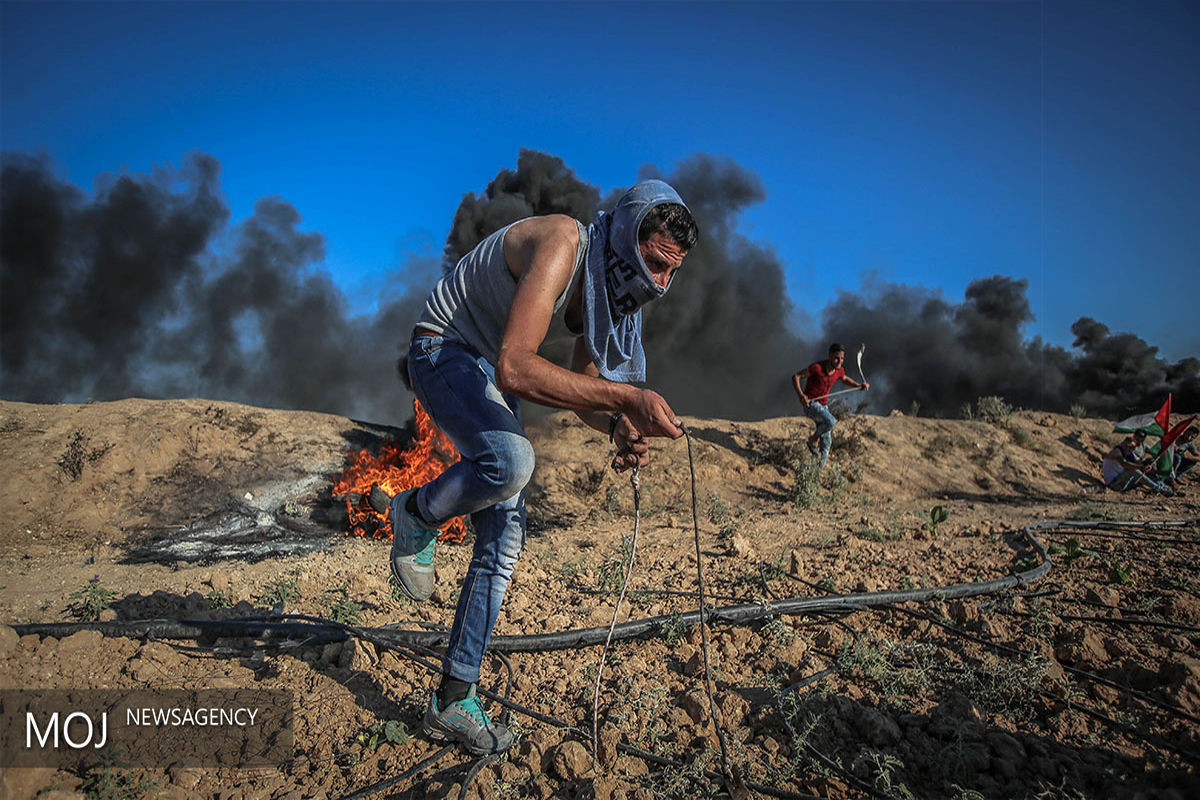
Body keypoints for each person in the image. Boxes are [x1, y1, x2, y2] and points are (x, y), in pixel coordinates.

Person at [373, 180, 698, 755]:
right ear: (626, 238)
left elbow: (586, 391)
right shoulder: (564, 243)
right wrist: (625, 400)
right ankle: (416, 512)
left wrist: (617, 424)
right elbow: (516, 369)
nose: (660, 283)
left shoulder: (614, 296)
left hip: (490, 368)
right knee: (512, 459)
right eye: (653, 263)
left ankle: (452, 699)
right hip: (446, 349)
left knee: (505, 537)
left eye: (672, 271)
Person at [791, 343, 868, 469]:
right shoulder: (817, 368)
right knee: (831, 422)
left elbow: (844, 379)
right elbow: (796, 377)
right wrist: (801, 396)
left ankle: (816, 470)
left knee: (827, 442)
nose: (839, 362)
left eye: (842, 359)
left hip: (823, 406)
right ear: (830, 356)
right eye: (837, 358)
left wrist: (859, 386)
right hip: (811, 404)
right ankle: (812, 440)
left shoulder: (839, 371)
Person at [1101, 429, 1172, 495]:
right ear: (1122, 444)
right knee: (1134, 471)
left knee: (1145, 470)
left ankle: (1163, 487)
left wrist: (1147, 468)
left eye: (1131, 448)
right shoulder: (1117, 452)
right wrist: (1141, 467)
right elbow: (1124, 463)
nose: (1128, 449)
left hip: (1123, 481)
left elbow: (1138, 464)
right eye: (1126, 446)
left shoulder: (1129, 454)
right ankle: (1158, 488)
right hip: (1114, 484)